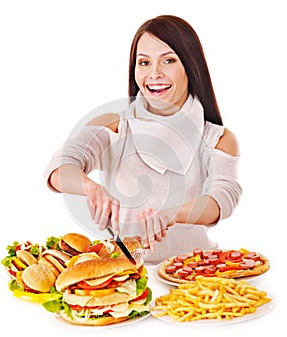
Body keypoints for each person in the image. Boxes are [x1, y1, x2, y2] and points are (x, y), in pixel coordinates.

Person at [44, 15, 242, 263]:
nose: (154, 74)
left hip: (194, 273)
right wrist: (91, 189)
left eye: (168, 60)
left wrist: (172, 215)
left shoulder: (217, 138)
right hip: (123, 273)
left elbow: (221, 200)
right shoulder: (114, 126)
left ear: (191, 66)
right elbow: (58, 167)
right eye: (144, 62)